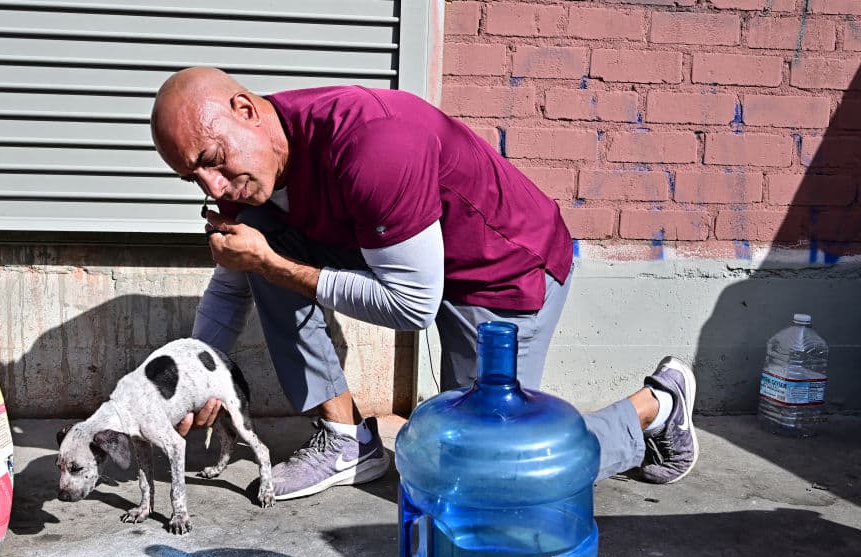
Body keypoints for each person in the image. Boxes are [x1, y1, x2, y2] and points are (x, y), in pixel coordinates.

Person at [150, 67, 698, 500]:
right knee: (254, 244)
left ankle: (656, 409)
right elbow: (232, 280)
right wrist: (200, 368)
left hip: (501, 271)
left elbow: (411, 305)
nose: (214, 185)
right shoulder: (245, 171)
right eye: (193, 178)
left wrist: (272, 265)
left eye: (213, 161)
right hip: (405, 259)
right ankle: (347, 442)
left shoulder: (374, 147)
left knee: (490, 476)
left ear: (246, 111)